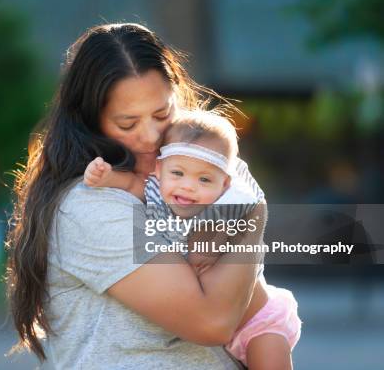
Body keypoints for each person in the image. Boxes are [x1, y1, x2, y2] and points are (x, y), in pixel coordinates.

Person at [6, 23, 267, 369]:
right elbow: (213, 321)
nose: (150, 136)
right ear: (91, 122)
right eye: (127, 124)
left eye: (162, 114)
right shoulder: (91, 205)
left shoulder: (196, 181)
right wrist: (252, 215)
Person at [84, 109, 302, 368]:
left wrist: (215, 241)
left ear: (224, 184)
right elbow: (131, 184)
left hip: (258, 323)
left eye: (204, 179)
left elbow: (251, 210)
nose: (188, 186)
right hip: (218, 325)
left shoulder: (229, 202)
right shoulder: (154, 191)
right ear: (159, 169)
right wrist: (106, 176)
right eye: (178, 174)